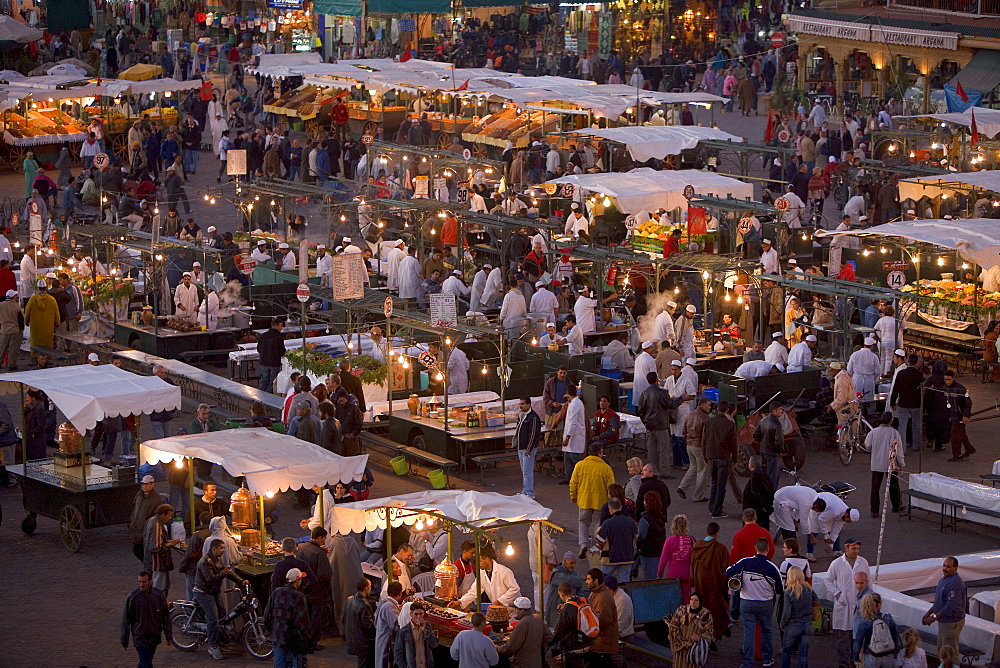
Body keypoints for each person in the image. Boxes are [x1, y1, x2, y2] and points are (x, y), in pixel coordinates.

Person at [726, 537, 782, 668]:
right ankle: (767, 660)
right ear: (767, 550)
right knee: (766, 631)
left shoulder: (745, 562)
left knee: (749, 633)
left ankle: (747, 663)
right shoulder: (773, 568)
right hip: (765, 604)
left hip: (746, 602)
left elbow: (728, 572)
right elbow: (780, 589)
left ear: (755, 548)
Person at [194, 538, 245, 660]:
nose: (223, 550)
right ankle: (212, 646)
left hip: (214, 591)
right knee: (213, 619)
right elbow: (210, 578)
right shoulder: (205, 562)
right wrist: (224, 574)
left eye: (223, 548)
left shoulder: (217, 559)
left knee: (223, 616)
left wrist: (241, 581)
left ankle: (221, 640)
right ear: (214, 549)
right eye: (221, 548)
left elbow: (227, 572)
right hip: (204, 593)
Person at [827, 538, 870, 668]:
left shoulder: (863, 562)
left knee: (857, 638)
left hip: (859, 606)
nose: (856, 551)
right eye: (853, 548)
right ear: (846, 548)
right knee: (842, 639)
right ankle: (843, 663)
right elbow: (828, 580)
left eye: (857, 549)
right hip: (843, 606)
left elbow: (869, 582)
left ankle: (854, 662)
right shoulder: (836, 563)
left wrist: (869, 599)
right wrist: (838, 594)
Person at [121, 570, 172, 668]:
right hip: (140, 637)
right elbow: (125, 620)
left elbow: (166, 616)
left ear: (150, 581)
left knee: (144, 662)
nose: (141, 584)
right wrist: (124, 639)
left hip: (154, 636)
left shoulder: (159, 595)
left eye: (144, 582)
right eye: (139, 581)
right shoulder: (132, 598)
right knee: (147, 664)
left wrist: (168, 635)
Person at [264, 567, 311, 668]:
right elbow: (302, 620)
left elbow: (267, 614)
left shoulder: (276, 592)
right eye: (301, 579)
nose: (301, 582)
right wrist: (304, 639)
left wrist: (270, 631)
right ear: (297, 580)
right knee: (295, 662)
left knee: (279, 661)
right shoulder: (299, 596)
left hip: (277, 635)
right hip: (293, 638)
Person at [690, 522, 730, 640]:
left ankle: (703, 631)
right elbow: (726, 568)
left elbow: (692, 566)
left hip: (700, 582)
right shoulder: (721, 548)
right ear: (717, 533)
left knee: (702, 607)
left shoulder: (697, 547)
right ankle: (715, 632)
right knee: (717, 609)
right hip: (715, 583)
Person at [637, 370, 680, 474]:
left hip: (649, 425)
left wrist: (645, 422)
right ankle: (664, 471)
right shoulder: (661, 393)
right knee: (664, 449)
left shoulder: (644, 393)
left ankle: (653, 470)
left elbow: (641, 410)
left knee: (651, 449)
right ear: (656, 380)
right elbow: (671, 404)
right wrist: (682, 398)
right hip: (661, 425)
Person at [922, 556, 966, 655]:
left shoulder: (955, 583)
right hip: (943, 622)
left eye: (948, 567)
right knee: (942, 652)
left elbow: (951, 606)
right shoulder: (943, 580)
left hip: (951, 623)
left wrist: (933, 617)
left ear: (955, 568)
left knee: (950, 654)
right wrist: (929, 613)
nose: (945, 569)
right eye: (944, 566)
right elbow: (939, 601)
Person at [453, 545, 521, 610]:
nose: (478, 565)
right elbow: (474, 591)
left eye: (480, 561)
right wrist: (460, 602)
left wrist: (500, 601)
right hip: (497, 608)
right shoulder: (481, 573)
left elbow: (515, 589)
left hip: (512, 609)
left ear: (487, 559)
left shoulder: (504, 571)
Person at [867, 412, 905, 517]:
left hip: (876, 463)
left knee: (875, 488)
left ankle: (874, 510)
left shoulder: (873, 432)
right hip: (891, 464)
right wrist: (901, 464)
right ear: (890, 420)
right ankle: (896, 505)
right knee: (894, 485)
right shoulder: (894, 433)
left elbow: (867, 446)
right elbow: (899, 451)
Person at [704, 400, 737, 518]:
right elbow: (733, 443)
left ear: (717, 409)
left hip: (711, 456)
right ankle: (717, 510)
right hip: (723, 457)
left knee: (714, 483)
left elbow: (705, 439)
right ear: (727, 410)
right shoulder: (730, 424)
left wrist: (705, 454)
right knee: (721, 485)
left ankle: (712, 506)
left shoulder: (709, 421)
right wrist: (735, 459)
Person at [779, 565, 817, 668]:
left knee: (786, 652)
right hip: (807, 624)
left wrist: (782, 624)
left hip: (793, 625)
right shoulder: (809, 589)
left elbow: (786, 612)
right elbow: (816, 600)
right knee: (803, 653)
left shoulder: (788, 592)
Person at [499, 597, 551, 668]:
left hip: (523, 662)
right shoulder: (538, 618)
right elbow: (549, 637)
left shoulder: (522, 624)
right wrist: (537, 645)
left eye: (516, 609)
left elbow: (512, 646)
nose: (515, 611)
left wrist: (497, 649)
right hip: (537, 661)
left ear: (522, 610)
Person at [594, 497, 637, 583]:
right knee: (624, 581)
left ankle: (607, 596)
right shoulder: (630, 521)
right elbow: (637, 536)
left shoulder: (607, 523)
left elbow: (599, 539)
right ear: (621, 507)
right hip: (627, 557)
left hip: (610, 557)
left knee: (604, 581)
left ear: (610, 509)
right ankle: (623, 596)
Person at [667, 591, 714, 668]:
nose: (693, 602)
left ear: (700, 602)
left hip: (695, 648)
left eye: (696, 600)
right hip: (681, 648)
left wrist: (699, 638)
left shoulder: (705, 615)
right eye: (691, 599)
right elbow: (673, 626)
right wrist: (682, 642)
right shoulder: (682, 611)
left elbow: (709, 632)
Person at [774, 486, 820, 561]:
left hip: (783, 495)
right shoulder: (807, 503)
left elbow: (799, 509)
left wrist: (794, 521)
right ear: (815, 506)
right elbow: (804, 521)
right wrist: (811, 536)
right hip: (782, 501)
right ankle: (792, 553)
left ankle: (793, 551)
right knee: (788, 529)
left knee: (790, 527)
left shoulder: (813, 494)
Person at [583, 568, 618, 667]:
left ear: (596, 580)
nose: (586, 581)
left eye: (588, 579)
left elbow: (602, 621)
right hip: (599, 642)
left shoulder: (603, 597)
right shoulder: (595, 592)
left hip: (603, 643)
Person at [854, 593, 900, 667]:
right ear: (879, 604)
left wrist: (856, 656)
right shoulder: (888, 618)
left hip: (872, 654)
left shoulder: (864, 621)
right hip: (888, 653)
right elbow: (895, 636)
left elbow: (858, 642)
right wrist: (895, 651)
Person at [143, 504, 179, 598]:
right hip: (158, 563)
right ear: (163, 514)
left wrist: (169, 542)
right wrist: (170, 544)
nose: (170, 518)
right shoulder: (157, 525)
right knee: (160, 588)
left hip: (151, 562)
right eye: (169, 515)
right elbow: (156, 547)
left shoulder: (151, 521)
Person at [889, 354, 924, 452]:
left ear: (908, 362)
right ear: (916, 362)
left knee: (902, 426)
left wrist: (892, 402)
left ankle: (902, 448)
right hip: (915, 403)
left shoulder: (901, 373)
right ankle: (916, 445)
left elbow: (895, 389)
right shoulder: (919, 375)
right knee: (916, 424)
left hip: (903, 403)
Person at [658, 514, 696, 599]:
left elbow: (663, 559)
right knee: (686, 598)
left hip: (673, 574)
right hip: (687, 573)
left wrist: (659, 574)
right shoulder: (691, 539)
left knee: (673, 599)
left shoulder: (669, 540)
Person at [130, 475, 165, 562]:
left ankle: (149, 568)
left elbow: (157, 515)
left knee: (142, 551)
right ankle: (148, 567)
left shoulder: (156, 499)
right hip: (136, 528)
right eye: (143, 484)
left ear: (152, 484)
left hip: (146, 530)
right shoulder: (139, 495)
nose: (144, 486)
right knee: (137, 550)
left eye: (147, 484)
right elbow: (134, 508)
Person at [393, 600, 438, 667]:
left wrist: (426, 631)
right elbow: (398, 654)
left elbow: (434, 644)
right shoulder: (404, 631)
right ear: (411, 614)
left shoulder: (427, 626)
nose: (418, 617)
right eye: (416, 614)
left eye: (421, 614)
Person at [513, 396, 542, 498]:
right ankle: (525, 490)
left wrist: (529, 449)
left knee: (527, 472)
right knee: (524, 471)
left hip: (527, 449)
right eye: (520, 403)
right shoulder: (521, 415)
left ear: (529, 404)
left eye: (522, 404)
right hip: (521, 447)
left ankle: (530, 492)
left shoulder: (533, 418)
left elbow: (533, 434)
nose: (520, 405)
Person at [344, 578, 376, 668]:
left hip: (353, 638)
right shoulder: (363, 604)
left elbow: (344, 619)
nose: (370, 588)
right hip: (363, 642)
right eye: (370, 586)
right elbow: (368, 626)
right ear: (366, 588)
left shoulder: (349, 600)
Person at [545, 552, 585, 623]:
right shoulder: (557, 573)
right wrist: (582, 579)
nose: (573, 565)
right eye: (571, 563)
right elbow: (570, 581)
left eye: (574, 563)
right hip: (556, 603)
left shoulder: (572, 573)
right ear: (565, 562)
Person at [753, 401, 785, 488]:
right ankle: (770, 497)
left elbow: (755, 435)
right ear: (774, 411)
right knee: (773, 477)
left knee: (766, 474)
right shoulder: (777, 425)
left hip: (763, 451)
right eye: (780, 409)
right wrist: (780, 450)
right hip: (772, 453)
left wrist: (763, 442)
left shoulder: (763, 421)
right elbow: (779, 442)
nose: (782, 411)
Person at [637, 491, 667, 580]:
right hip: (659, 549)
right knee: (658, 574)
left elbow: (641, 535)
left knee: (649, 577)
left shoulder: (645, 519)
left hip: (647, 551)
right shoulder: (661, 515)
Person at [25, 279, 60, 353]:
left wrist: (26, 321)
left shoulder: (33, 299)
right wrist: (57, 324)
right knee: (47, 343)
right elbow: (57, 313)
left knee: (35, 342)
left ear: (38, 288)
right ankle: (47, 357)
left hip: (35, 326)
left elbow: (27, 312)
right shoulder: (52, 299)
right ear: (46, 287)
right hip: (48, 326)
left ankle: (35, 357)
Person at [562, 384, 589, 484]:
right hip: (572, 434)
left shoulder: (575, 405)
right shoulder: (574, 403)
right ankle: (568, 477)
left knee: (575, 457)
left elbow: (573, 422)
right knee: (567, 457)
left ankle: (582, 475)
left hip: (575, 435)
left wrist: (568, 437)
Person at [743, 455, 775, 530]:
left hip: (756, 510)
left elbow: (754, 494)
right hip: (764, 510)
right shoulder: (765, 475)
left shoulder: (754, 477)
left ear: (751, 465)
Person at [375, 581, 403, 667]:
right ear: (400, 593)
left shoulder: (386, 603)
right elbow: (396, 626)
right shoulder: (389, 607)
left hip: (381, 639)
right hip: (385, 641)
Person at [257, 317, 286, 392]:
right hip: (274, 363)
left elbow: (258, 349)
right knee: (272, 383)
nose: (282, 328)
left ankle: (259, 398)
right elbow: (282, 351)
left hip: (263, 362)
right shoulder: (279, 337)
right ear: (276, 326)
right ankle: (269, 400)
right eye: (281, 326)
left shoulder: (263, 336)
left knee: (264, 381)